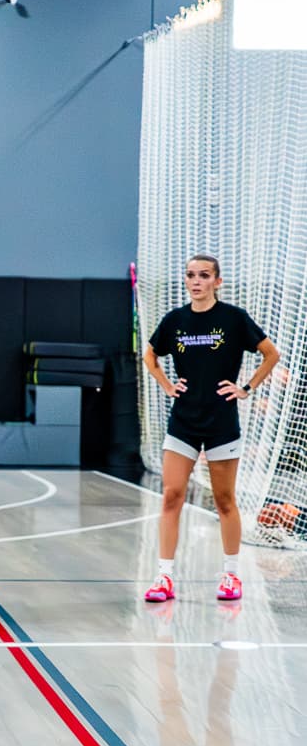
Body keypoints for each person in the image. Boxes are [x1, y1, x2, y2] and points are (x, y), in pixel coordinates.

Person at [142, 254, 279, 603]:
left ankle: (232, 576)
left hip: (221, 421)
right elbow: (150, 356)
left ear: (217, 281)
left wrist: (245, 388)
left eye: (204, 275)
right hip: (183, 421)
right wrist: (166, 384)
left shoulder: (233, 319)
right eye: (190, 275)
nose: (196, 281)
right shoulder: (175, 321)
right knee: (172, 496)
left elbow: (271, 354)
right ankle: (164, 578)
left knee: (224, 500)